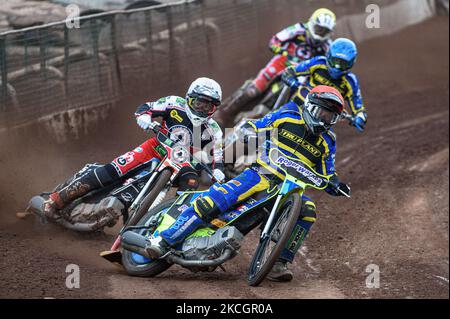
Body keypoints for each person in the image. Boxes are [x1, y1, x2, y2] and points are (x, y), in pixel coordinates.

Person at [145, 85, 351, 282]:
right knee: (212, 201)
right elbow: (259, 124)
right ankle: (165, 240)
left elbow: (328, 172)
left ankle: (280, 262)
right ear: (308, 106)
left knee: (308, 210)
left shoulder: (328, 141)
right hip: (260, 175)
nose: (323, 119)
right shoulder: (289, 115)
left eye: (329, 116)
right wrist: (248, 130)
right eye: (320, 112)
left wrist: (336, 184)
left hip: (289, 189)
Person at [38, 77, 226, 221]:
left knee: (190, 188)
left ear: (214, 108)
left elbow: (217, 157)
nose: (201, 108)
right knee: (113, 170)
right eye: (198, 102)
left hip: (183, 164)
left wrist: (218, 171)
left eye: (207, 105)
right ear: (189, 99)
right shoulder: (173, 103)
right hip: (155, 148)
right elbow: (146, 107)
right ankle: (56, 200)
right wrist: (143, 117)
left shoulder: (214, 131)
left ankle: (171, 226)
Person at [215, 8, 337, 127]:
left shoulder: (328, 46)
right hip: (282, 62)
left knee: (300, 98)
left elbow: (329, 67)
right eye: (318, 29)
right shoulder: (298, 29)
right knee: (254, 90)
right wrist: (282, 51)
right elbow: (275, 40)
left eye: (324, 31)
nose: (320, 33)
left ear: (330, 32)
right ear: (311, 23)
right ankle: (225, 114)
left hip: (301, 73)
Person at [282, 37, 368, 132]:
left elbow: (359, 109)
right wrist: (292, 81)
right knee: (273, 123)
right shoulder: (319, 62)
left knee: (329, 143)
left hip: (323, 122)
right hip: (297, 106)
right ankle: (262, 144)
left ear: (351, 63)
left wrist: (360, 118)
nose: (337, 67)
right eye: (335, 61)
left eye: (343, 64)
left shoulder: (351, 82)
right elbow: (291, 71)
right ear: (328, 56)